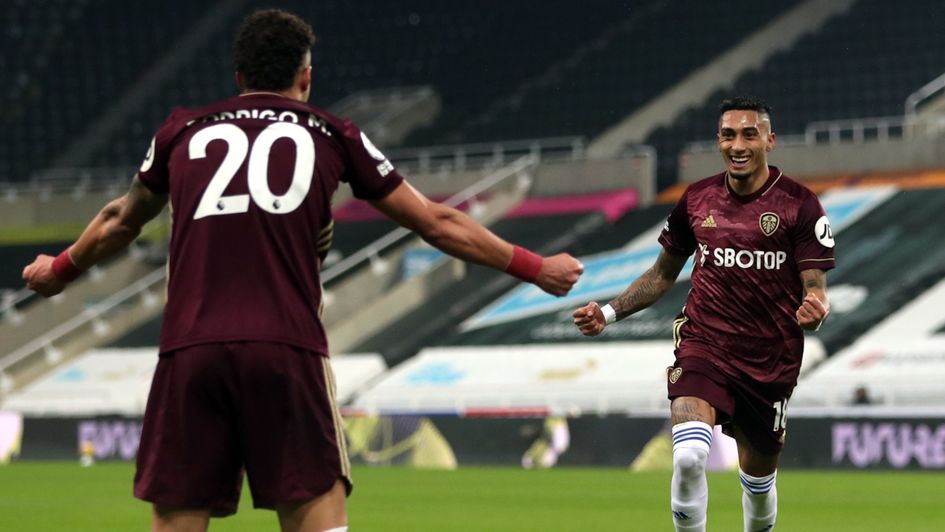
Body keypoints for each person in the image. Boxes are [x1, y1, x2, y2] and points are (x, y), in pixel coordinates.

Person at [22, 9, 583, 532]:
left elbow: (121, 220)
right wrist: (537, 267)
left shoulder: (181, 131)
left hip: (190, 353)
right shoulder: (334, 134)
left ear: (239, 75)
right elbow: (438, 222)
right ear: (306, 78)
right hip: (286, 349)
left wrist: (59, 269)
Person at [573, 96, 833, 532]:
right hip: (704, 346)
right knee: (690, 456)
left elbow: (815, 289)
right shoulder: (697, 200)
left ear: (770, 140)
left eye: (749, 134)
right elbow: (661, 276)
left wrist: (815, 309)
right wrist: (608, 312)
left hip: (771, 359)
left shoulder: (799, 205)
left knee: (758, 483)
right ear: (718, 141)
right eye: (728, 134)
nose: (738, 144)